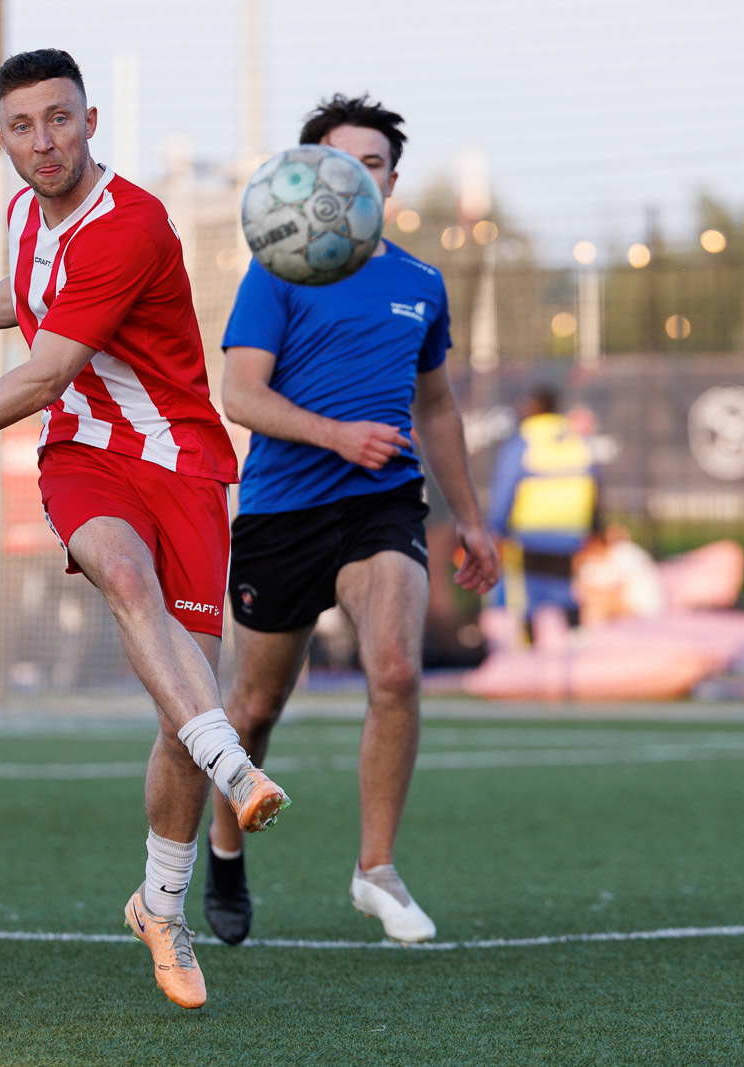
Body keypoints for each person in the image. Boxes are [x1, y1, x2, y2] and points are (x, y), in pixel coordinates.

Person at [0, 49, 289, 1010]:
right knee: (123, 577)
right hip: (85, 453)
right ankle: (233, 763)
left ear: (90, 120)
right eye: (23, 127)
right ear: (2, 139)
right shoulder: (23, 214)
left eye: (59, 119)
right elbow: (32, 296)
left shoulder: (131, 224)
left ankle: (162, 907)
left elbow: (41, 367)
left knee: (179, 707)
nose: (44, 142)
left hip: (185, 463)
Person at [210, 94, 500, 946]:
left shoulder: (420, 283)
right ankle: (226, 847)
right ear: (306, 179)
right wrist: (336, 433)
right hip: (282, 509)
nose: (356, 180)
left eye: (371, 166)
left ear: (390, 182)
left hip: (382, 504)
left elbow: (437, 409)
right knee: (257, 705)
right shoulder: (276, 272)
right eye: (339, 166)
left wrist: (474, 521)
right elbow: (240, 394)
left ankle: (375, 867)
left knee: (397, 670)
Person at [487, 385, 597, 637]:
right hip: (570, 529)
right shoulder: (576, 439)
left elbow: (505, 487)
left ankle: (528, 648)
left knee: (525, 595)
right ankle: (577, 639)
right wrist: (594, 525)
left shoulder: (524, 441)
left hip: (530, 531)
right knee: (566, 588)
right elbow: (595, 481)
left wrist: (496, 527)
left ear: (535, 408)